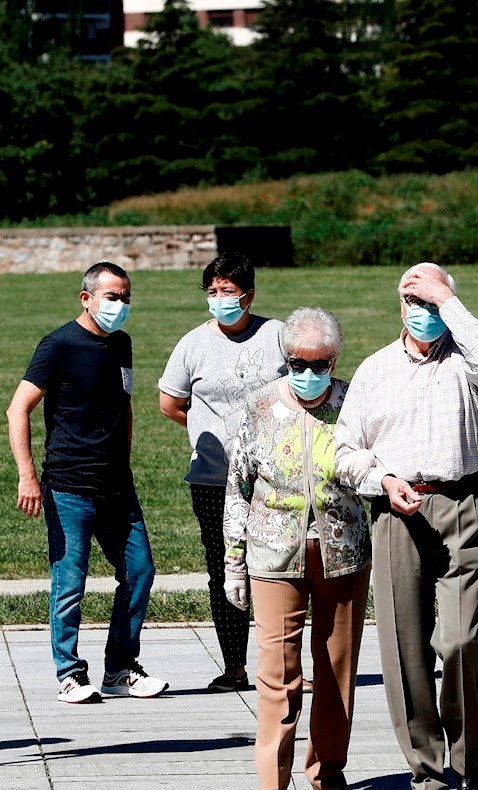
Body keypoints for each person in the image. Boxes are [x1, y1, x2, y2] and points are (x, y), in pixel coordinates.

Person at [335, 262, 478, 790]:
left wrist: (445, 297)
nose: (421, 308)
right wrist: (379, 480)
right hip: (396, 511)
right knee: (405, 647)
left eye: (430, 298)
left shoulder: (467, 359)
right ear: (397, 305)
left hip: (459, 504)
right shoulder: (376, 369)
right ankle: (428, 777)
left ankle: (467, 765)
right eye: (412, 297)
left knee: (458, 641)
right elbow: (344, 449)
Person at [224, 307, 372, 790]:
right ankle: (271, 787)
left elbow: (377, 470)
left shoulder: (354, 401)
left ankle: (328, 773)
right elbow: (238, 488)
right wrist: (234, 563)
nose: (307, 372)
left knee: (336, 669)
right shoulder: (259, 405)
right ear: (284, 359)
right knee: (277, 672)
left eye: (319, 362)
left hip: (342, 550)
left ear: (335, 359)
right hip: (273, 551)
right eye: (296, 362)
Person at [6, 262, 167, 704]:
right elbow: (18, 409)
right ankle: (69, 673)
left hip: (117, 485)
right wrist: (28, 476)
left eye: (126, 297)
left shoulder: (122, 345)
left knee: (139, 571)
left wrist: (124, 459)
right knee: (69, 582)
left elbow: (125, 405)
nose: (120, 305)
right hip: (68, 486)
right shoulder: (58, 345)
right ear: (87, 298)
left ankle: (120, 668)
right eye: (112, 297)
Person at [159, 252, 287, 693]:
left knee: (280, 568)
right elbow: (170, 403)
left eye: (228, 292)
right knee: (224, 567)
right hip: (213, 477)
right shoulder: (192, 344)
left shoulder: (277, 336)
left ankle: (285, 665)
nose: (219, 299)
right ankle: (234, 667)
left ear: (248, 295)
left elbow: (307, 385)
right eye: (212, 292)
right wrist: (207, 432)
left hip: (274, 476)